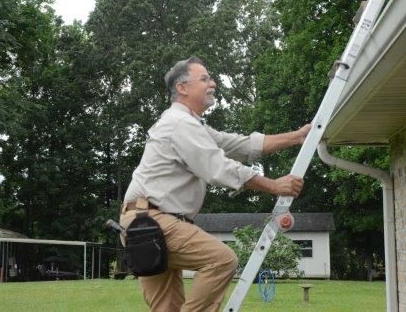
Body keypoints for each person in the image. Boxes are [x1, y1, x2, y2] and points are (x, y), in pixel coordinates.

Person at [121, 56, 309, 312]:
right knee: (221, 260)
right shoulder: (179, 124)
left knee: (166, 308)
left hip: (144, 223)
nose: (213, 83)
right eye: (205, 78)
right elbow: (218, 167)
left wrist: (297, 137)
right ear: (182, 88)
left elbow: (242, 146)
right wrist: (274, 186)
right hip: (152, 221)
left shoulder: (192, 125)